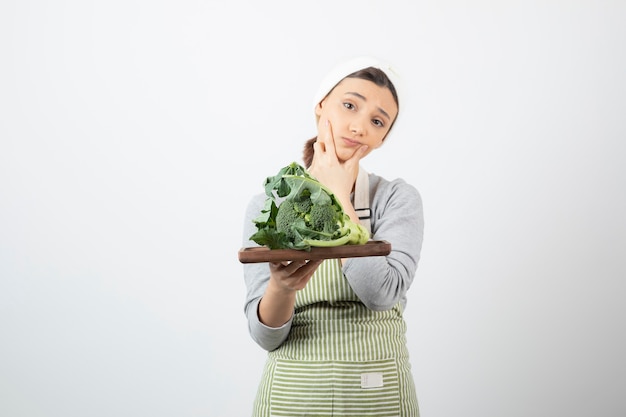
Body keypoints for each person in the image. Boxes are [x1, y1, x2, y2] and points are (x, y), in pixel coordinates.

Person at [241, 56, 424, 417]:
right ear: (320, 106)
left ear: (382, 138)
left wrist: (340, 197)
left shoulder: (396, 199)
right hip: (293, 397)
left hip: (377, 394)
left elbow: (380, 294)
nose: (358, 126)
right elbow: (266, 337)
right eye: (349, 105)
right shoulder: (270, 204)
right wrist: (281, 287)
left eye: (376, 121)